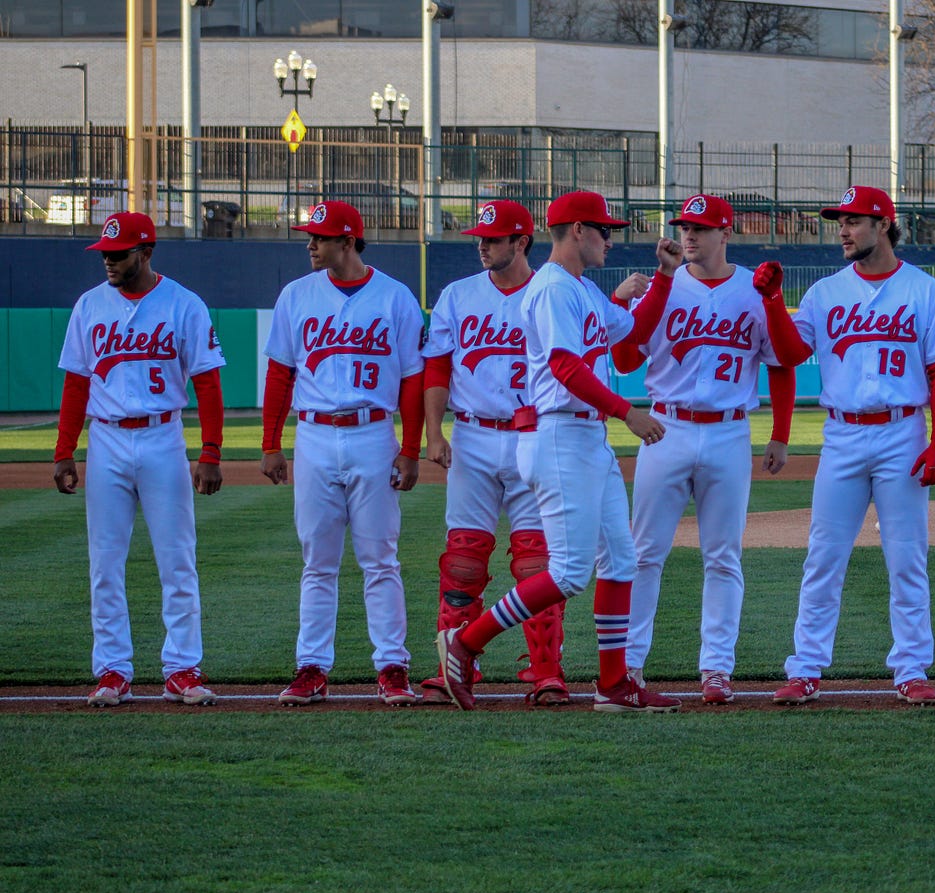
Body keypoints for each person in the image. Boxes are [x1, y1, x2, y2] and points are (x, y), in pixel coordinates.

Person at [436, 189, 684, 712]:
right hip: (557, 435)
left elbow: (633, 332)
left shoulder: (581, 290)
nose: (610, 241)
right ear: (577, 231)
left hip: (586, 437)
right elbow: (567, 368)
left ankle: (614, 685)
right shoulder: (552, 289)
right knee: (570, 571)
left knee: (622, 561)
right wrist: (627, 412)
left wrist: (663, 278)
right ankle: (465, 643)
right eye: (604, 230)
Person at [757, 185, 935, 705]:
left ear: (883, 225)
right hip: (842, 435)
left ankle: (911, 668)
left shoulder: (923, 290)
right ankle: (805, 668)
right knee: (823, 557)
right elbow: (786, 352)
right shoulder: (826, 292)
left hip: (902, 432)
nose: (843, 231)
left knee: (907, 557)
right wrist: (773, 301)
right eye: (840, 222)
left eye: (853, 221)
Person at [610, 193, 797, 704]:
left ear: (724, 234)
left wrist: (780, 432)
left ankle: (716, 669)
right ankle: (628, 665)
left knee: (723, 557)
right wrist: (625, 302)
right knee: (645, 553)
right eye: (684, 227)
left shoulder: (754, 289)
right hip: (665, 427)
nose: (688, 235)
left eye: (700, 228)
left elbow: (782, 361)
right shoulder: (662, 287)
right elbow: (625, 360)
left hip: (729, 430)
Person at [53, 211, 227, 707]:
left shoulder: (184, 304)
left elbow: (207, 383)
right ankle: (112, 670)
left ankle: (182, 668)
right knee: (105, 563)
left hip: (162, 438)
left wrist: (210, 451)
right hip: (105, 440)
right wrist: (65, 451)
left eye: (119, 253)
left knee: (177, 559)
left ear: (146, 253)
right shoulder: (89, 306)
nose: (108, 260)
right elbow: (76, 383)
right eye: (105, 252)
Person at [260, 200, 426, 707]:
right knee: (318, 561)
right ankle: (311, 667)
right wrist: (270, 443)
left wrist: (411, 448)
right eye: (311, 236)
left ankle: (392, 667)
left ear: (348, 241)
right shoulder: (296, 295)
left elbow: (413, 380)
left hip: (373, 433)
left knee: (380, 559)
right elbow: (280, 374)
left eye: (320, 236)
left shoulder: (395, 298)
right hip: (313, 434)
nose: (310, 244)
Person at [420, 199, 571, 706]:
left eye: (492, 238)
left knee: (536, 563)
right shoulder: (459, 295)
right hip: (474, 435)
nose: (482, 246)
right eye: (480, 238)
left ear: (521, 242)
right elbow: (437, 368)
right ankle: (454, 666)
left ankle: (546, 670)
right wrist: (434, 432)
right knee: (462, 558)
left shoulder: (552, 291)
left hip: (533, 435)